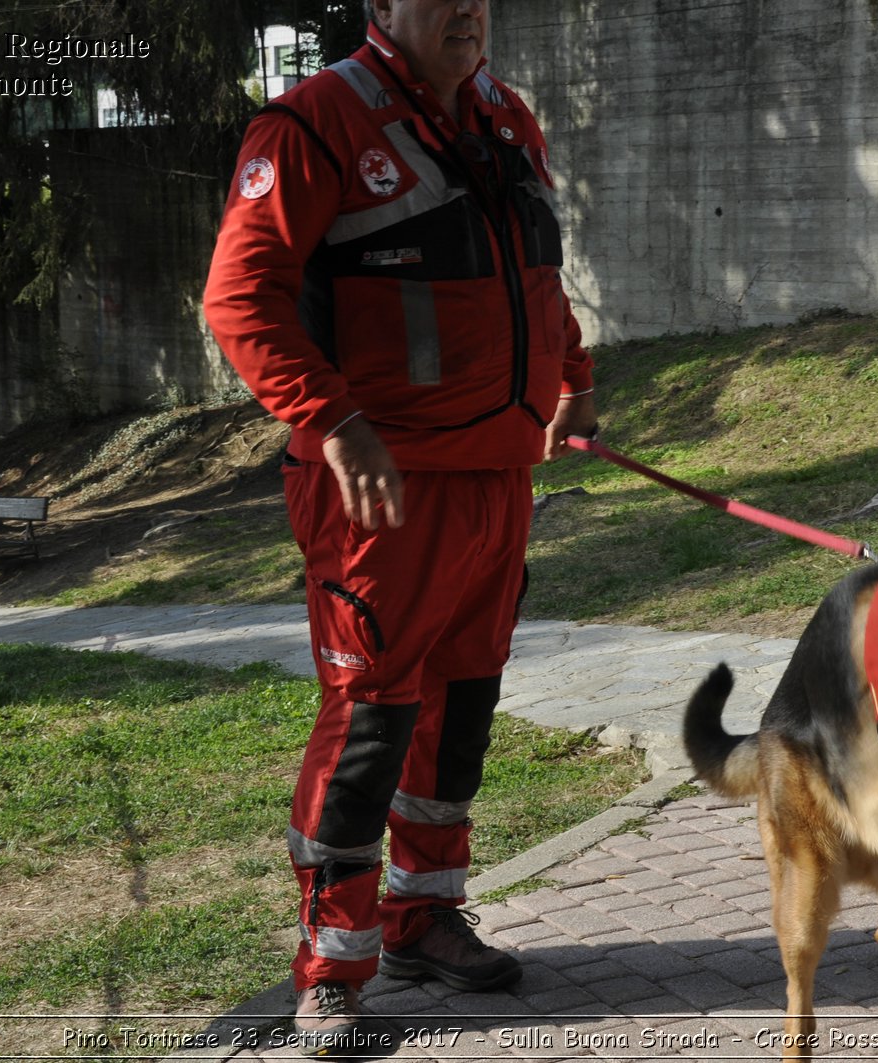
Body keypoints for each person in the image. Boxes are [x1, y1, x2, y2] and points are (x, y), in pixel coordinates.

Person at [203, 0, 598, 1054]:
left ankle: (424, 916)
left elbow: (537, 274)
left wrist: (574, 375)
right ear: (382, 6)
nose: (469, 9)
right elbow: (240, 297)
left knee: (460, 703)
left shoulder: (505, 115)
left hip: (496, 477)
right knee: (372, 714)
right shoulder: (311, 124)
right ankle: (333, 966)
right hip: (381, 487)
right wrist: (332, 423)